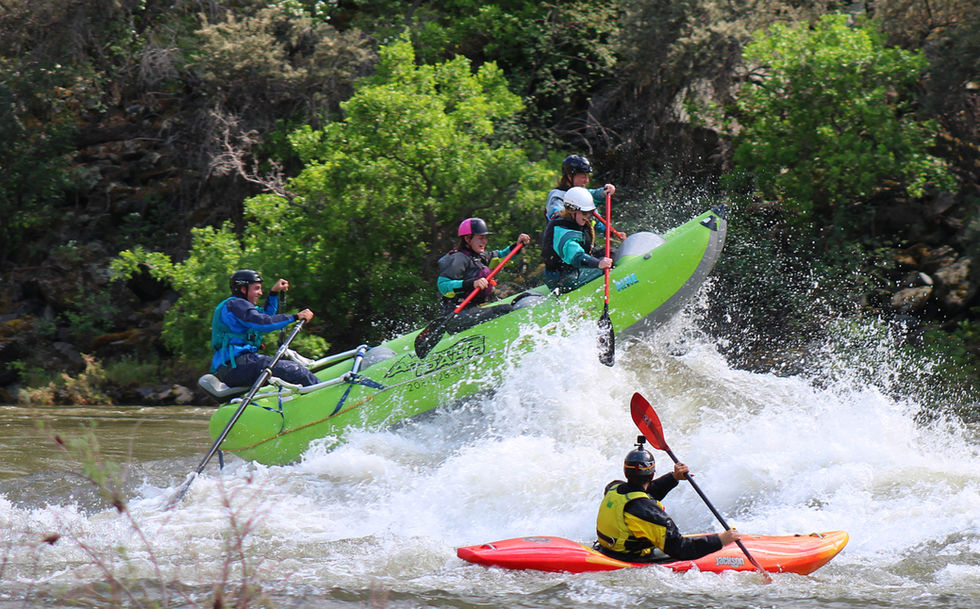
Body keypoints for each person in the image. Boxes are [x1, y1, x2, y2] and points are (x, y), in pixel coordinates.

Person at [595, 436, 741, 563]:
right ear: (652, 474)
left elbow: (641, 494)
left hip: (605, 550)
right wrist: (721, 540)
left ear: (626, 472)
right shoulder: (651, 514)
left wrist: (674, 477)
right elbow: (681, 549)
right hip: (631, 559)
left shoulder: (613, 488)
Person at [210, 269, 319, 388]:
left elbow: (267, 315)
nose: (260, 293)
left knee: (291, 371)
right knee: (295, 371)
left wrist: (273, 293)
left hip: (239, 365)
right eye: (256, 288)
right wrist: (296, 316)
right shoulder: (236, 305)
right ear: (243, 289)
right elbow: (264, 323)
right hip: (237, 366)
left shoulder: (239, 306)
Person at [437, 218, 531, 331]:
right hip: (456, 314)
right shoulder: (457, 259)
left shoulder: (480, 257)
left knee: (523, 298)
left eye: (485, 238)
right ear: (467, 238)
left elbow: (503, 255)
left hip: (472, 309)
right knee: (505, 310)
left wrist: (517, 245)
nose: (484, 241)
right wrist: (472, 283)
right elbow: (443, 285)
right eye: (480, 238)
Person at [541, 186, 614, 292]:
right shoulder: (562, 230)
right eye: (585, 212)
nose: (588, 216)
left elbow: (592, 197)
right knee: (607, 268)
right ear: (571, 210)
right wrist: (598, 263)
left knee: (612, 254)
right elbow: (576, 256)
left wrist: (603, 193)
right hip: (562, 279)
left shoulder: (577, 219)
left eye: (590, 212)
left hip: (573, 269)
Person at [544, 154, 616, 223]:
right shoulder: (556, 196)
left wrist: (604, 191)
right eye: (583, 177)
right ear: (570, 176)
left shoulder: (581, 193)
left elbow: (593, 194)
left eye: (588, 176)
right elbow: (557, 214)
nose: (587, 181)